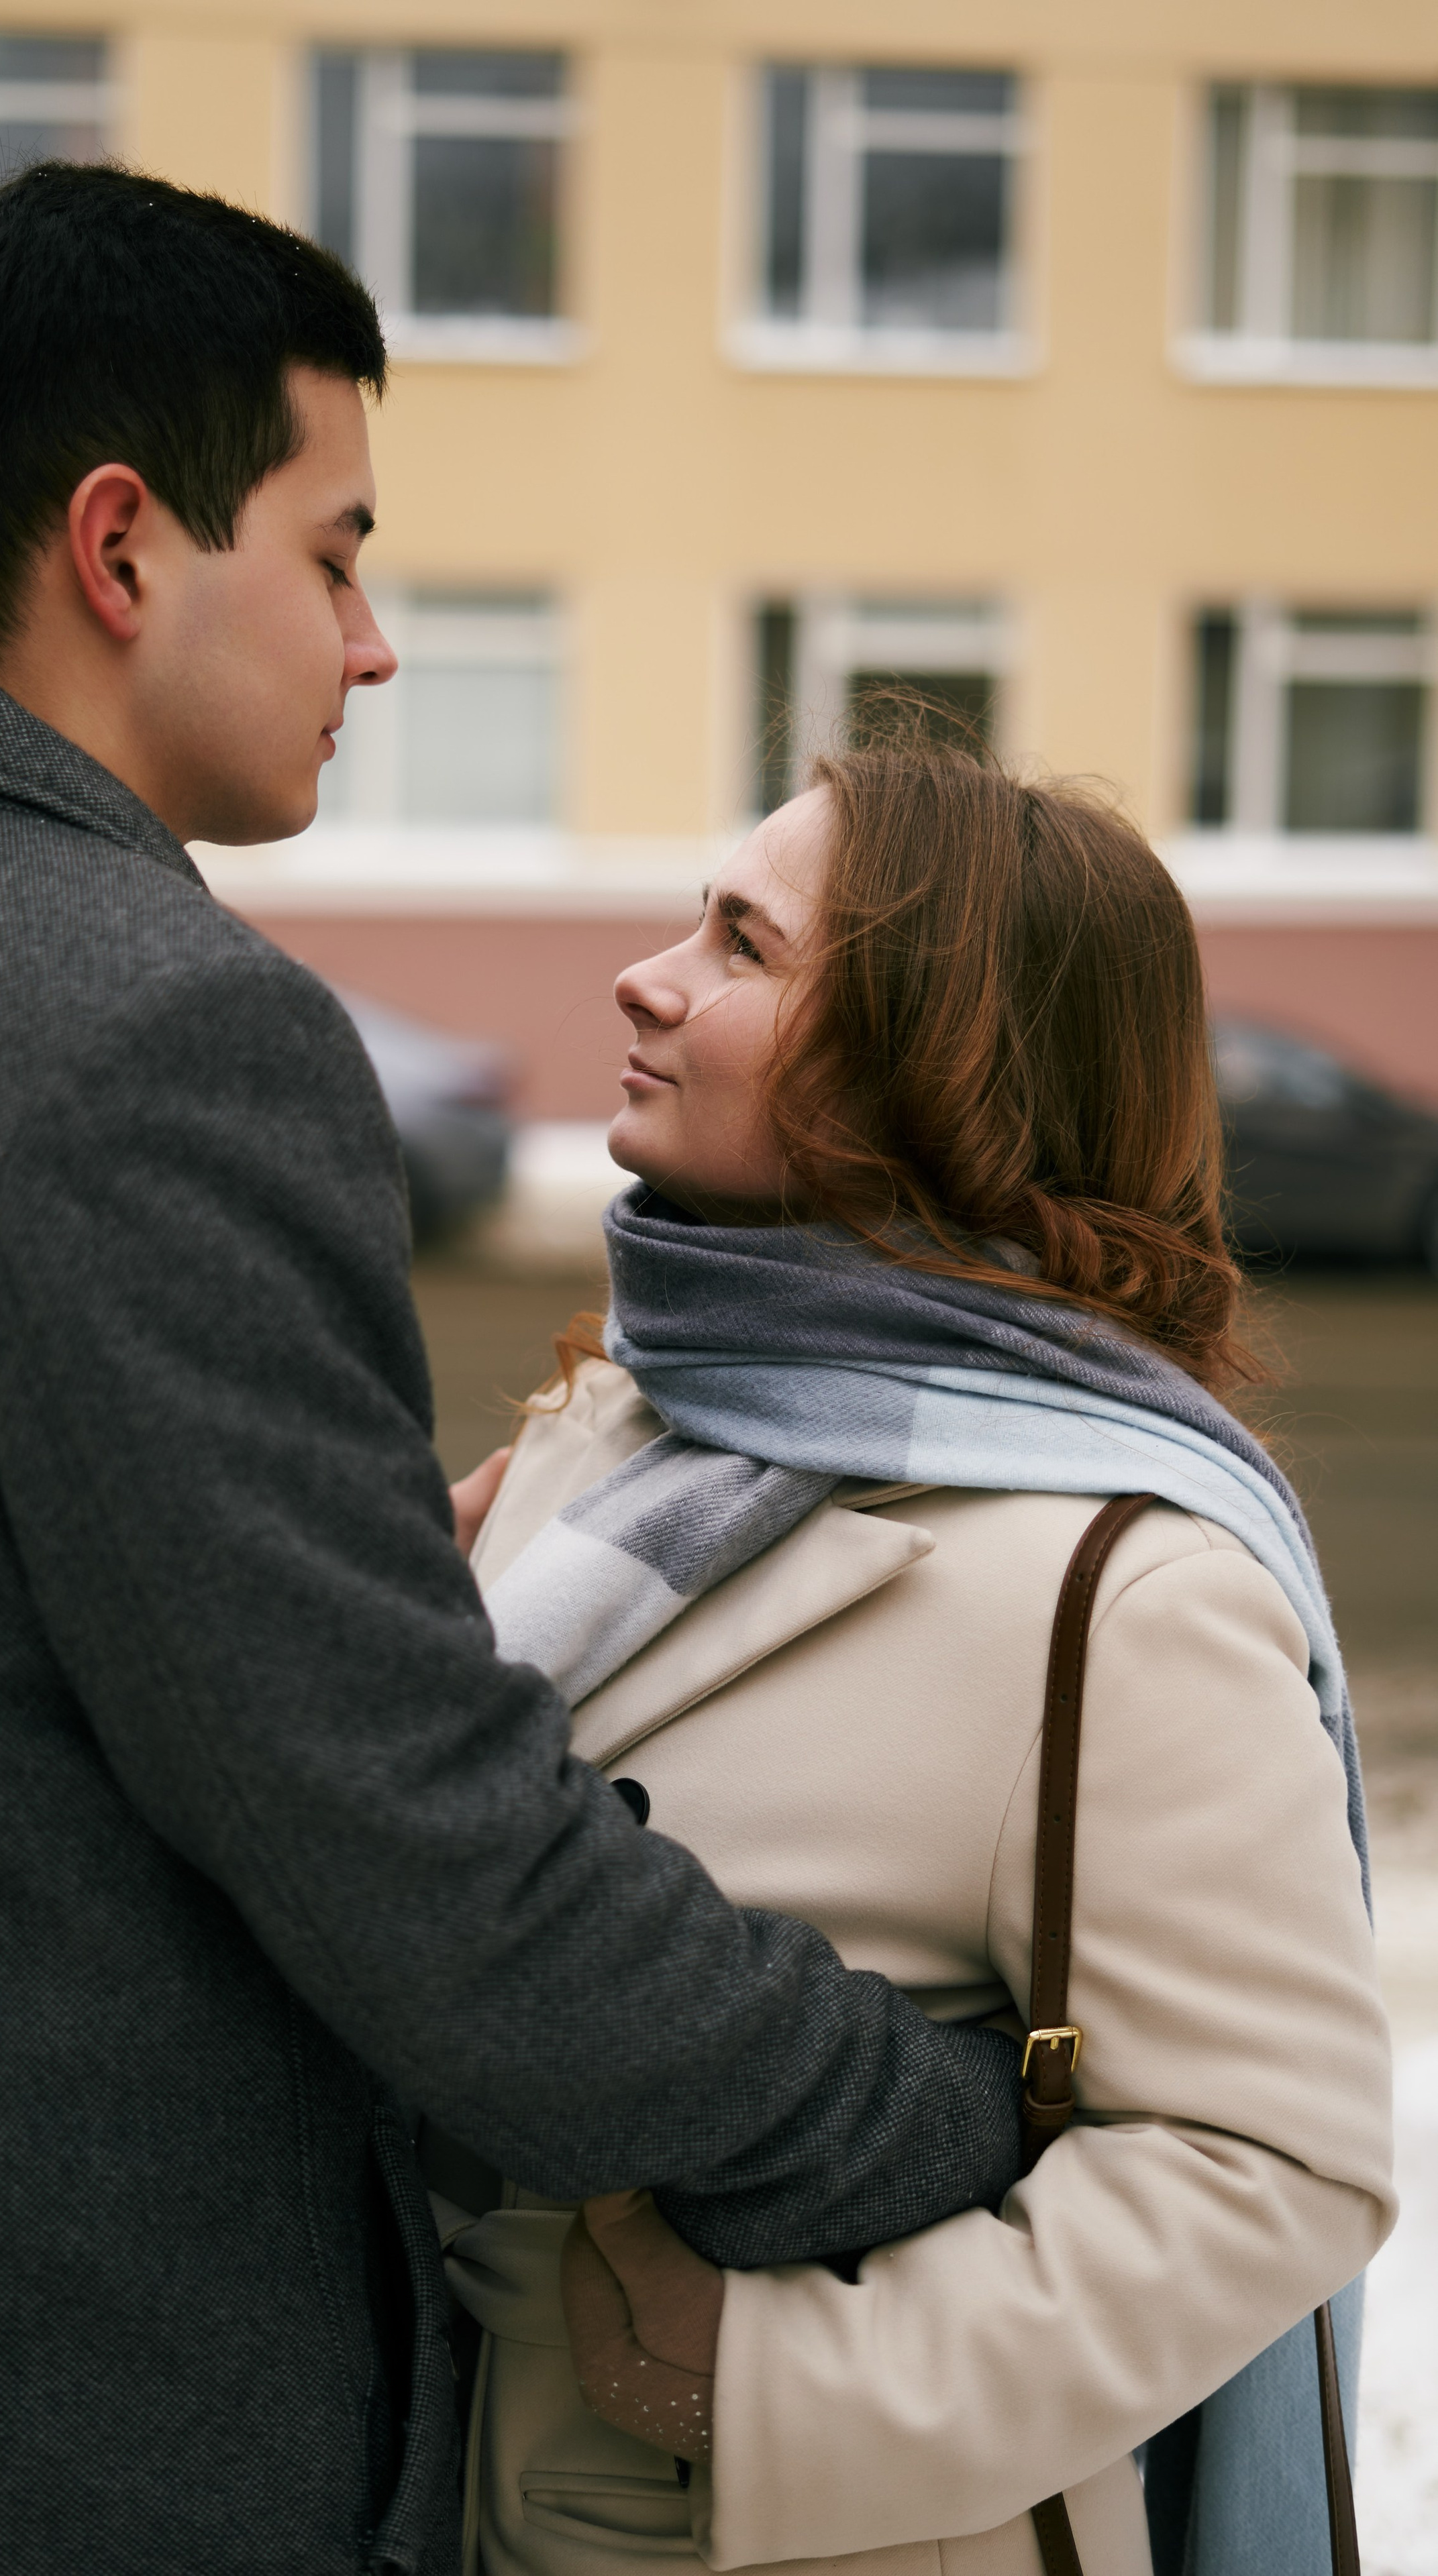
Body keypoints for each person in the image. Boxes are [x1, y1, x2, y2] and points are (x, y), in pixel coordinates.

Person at [0, 170, 1024, 2576]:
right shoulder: (160, 1040)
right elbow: (421, 1857)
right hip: (80, 2458)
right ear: (122, 549)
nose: (378, 640)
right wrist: (926, 2112)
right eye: (334, 554)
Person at [450, 736, 1395, 2576]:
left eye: (742, 942)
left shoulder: (1124, 1582)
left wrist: (769, 2383)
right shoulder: (632, 1407)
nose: (650, 976)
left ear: (934, 1066)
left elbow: (1272, 2167)